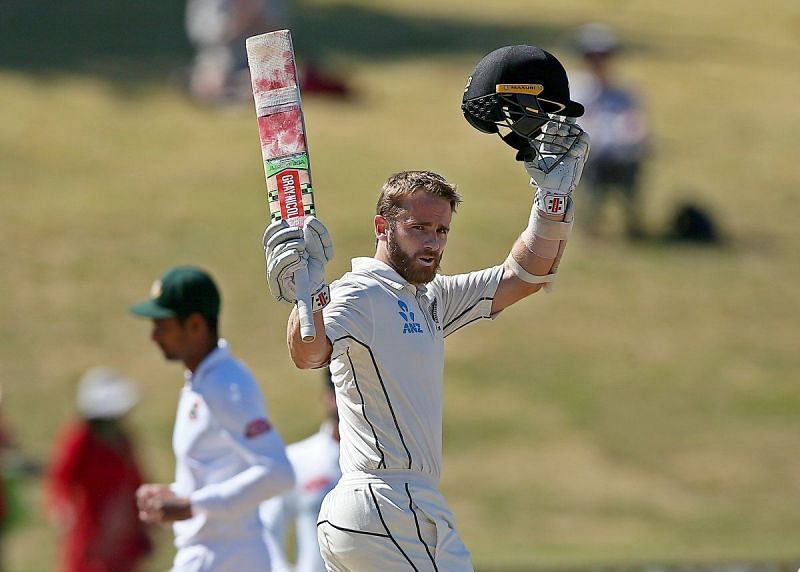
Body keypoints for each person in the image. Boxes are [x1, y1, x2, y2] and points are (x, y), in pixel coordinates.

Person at [262, 46, 590, 570]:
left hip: (384, 511)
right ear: (382, 228)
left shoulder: (431, 298)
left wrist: (551, 202)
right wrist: (305, 298)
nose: (433, 243)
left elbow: (524, 277)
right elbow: (308, 354)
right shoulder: (359, 293)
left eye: (441, 230)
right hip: (387, 503)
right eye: (418, 229)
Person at [129, 265, 295, 571]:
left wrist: (192, 505)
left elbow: (278, 473)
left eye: (162, 324)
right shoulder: (203, 382)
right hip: (215, 554)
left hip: (225, 556)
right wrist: (175, 495)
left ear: (194, 325)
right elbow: (218, 470)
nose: (153, 336)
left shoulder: (225, 385)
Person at [45, 367, 152, 572]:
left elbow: (135, 479)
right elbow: (61, 477)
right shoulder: (80, 440)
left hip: (122, 533)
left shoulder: (123, 441)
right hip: (91, 534)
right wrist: (63, 506)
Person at [570, 22, 650, 238]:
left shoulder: (623, 93)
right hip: (589, 157)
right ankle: (591, 226)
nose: (598, 61)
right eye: (592, 55)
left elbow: (636, 124)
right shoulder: (575, 90)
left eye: (603, 55)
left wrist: (633, 137)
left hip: (622, 156)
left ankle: (633, 226)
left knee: (632, 167)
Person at [184, 0, 350, 104]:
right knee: (213, 81)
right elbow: (205, 34)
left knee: (291, 76)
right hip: (222, 59)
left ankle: (246, 91)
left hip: (262, 58)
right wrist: (240, 18)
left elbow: (280, 30)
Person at [260, 370, 341, 572]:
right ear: (327, 396)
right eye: (340, 392)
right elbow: (268, 529)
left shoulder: (389, 460)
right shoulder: (299, 459)